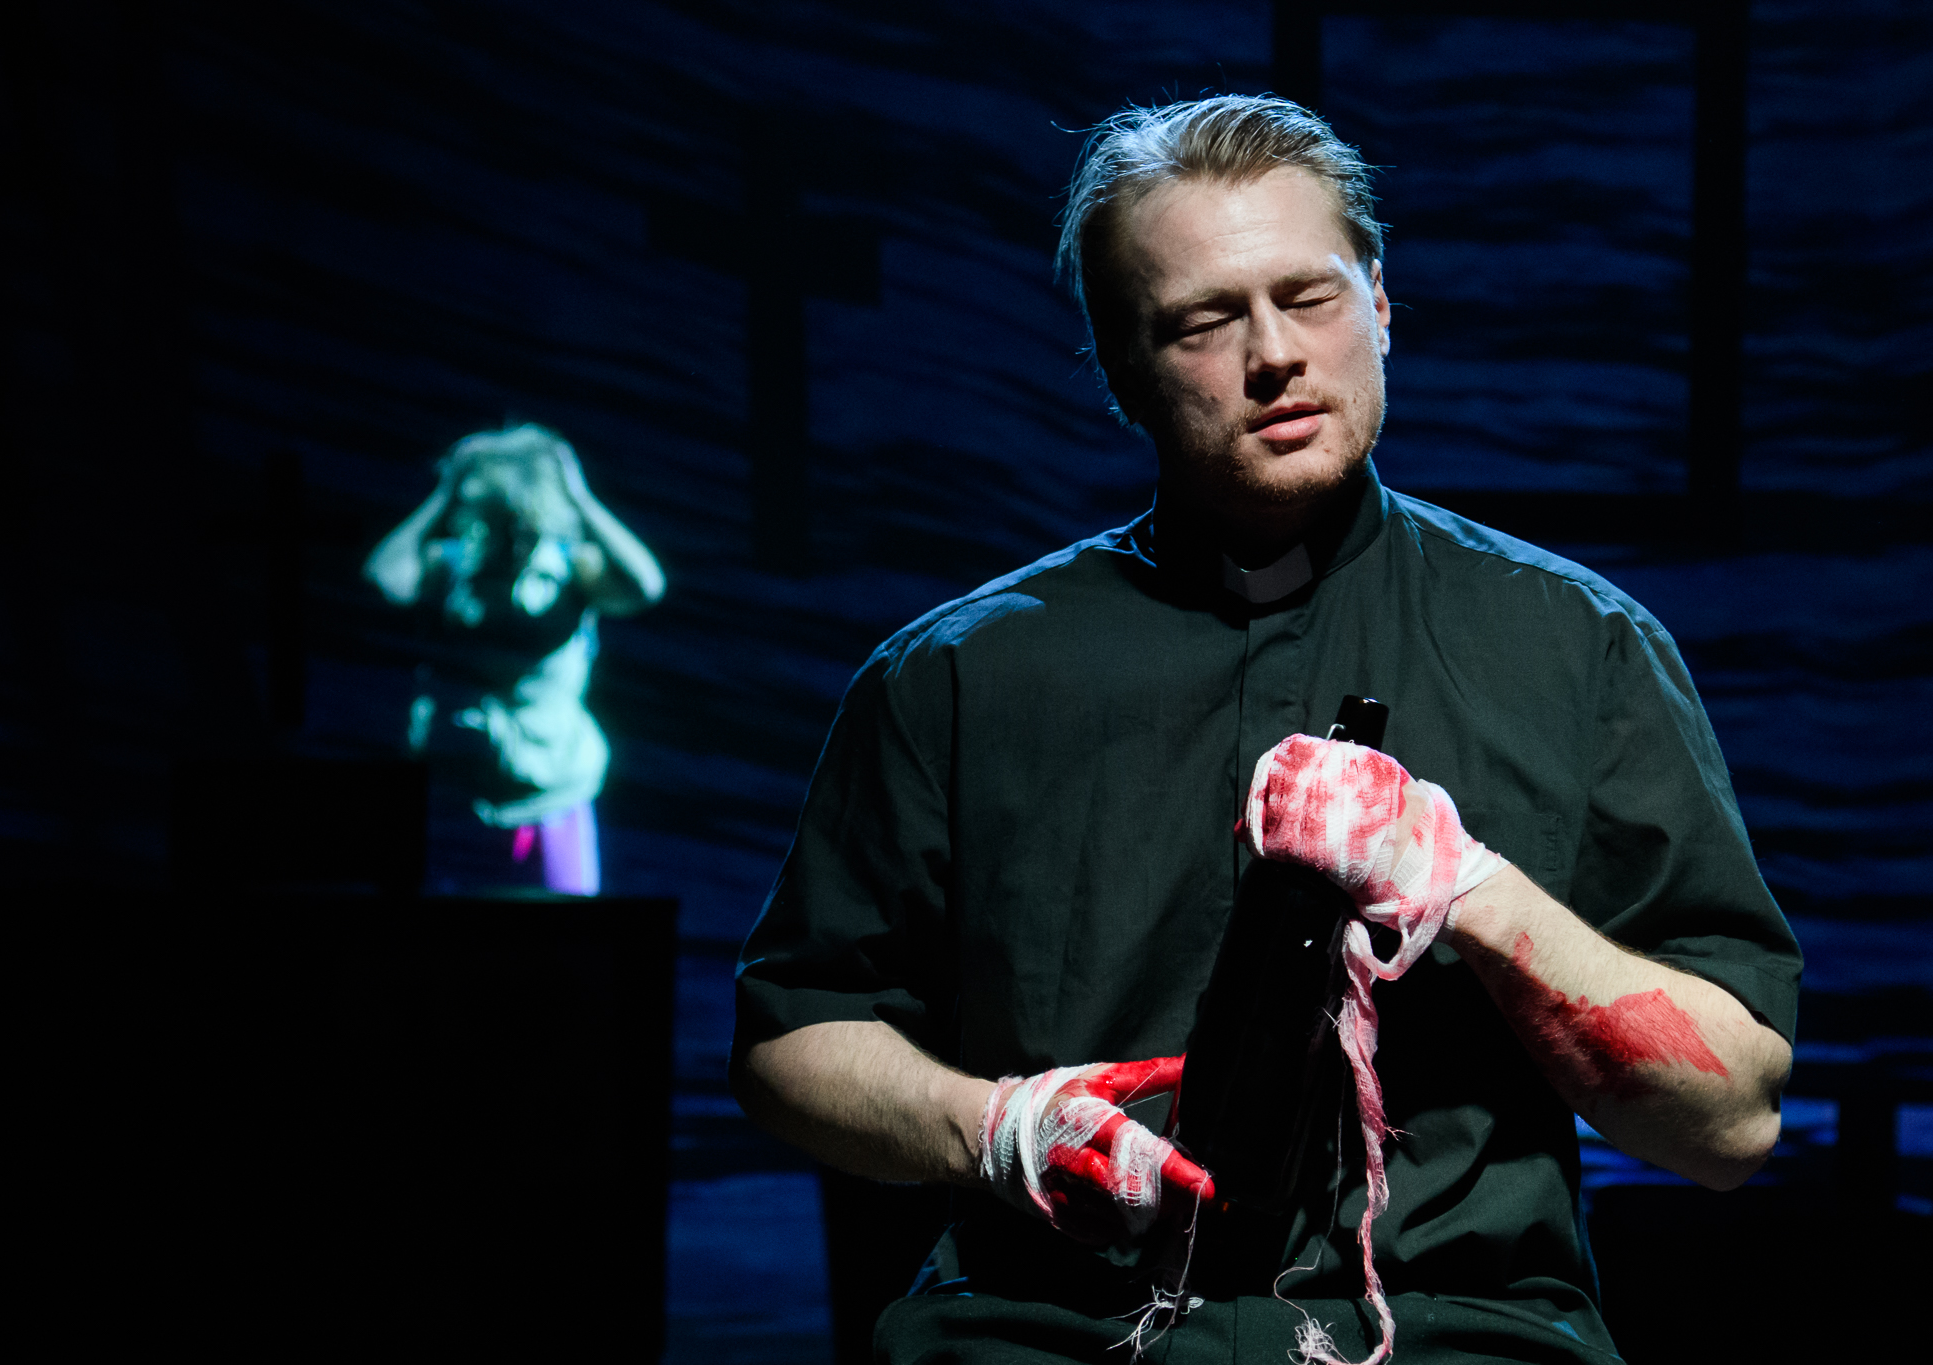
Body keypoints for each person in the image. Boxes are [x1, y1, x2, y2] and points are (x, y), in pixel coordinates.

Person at [731, 96, 1799, 1363]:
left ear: (1380, 303)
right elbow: (789, 1042)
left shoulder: (1580, 649)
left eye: (1309, 296)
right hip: (1050, 1338)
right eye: (1203, 321)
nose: (1274, 355)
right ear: (1119, 365)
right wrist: (997, 1130)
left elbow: (1728, 1125)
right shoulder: (955, 677)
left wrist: (1472, 891)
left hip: (1455, 1341)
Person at [365, 423, 664, 893]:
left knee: (565, 928)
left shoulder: (573, 573)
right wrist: (443, 496)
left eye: (527, 527)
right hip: (458, 787)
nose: (515, 540)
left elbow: (645, 586)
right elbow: (384, 578)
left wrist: (582, 498)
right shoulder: (452, 567)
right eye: (503, 526)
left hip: (552, 789)